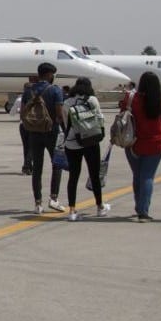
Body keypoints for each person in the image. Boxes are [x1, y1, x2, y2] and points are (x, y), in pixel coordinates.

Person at [123, 71, 161, 221]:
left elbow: (123, 112)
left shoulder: (132, 98)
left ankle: (138, 205)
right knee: (147, 177)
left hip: (133, 144)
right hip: (155, 144)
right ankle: (143, 210)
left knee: (137, 176)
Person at [63, 77, 110, 221]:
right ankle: (100, 206)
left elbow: (66, 123)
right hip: (90, 141)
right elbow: (100, 119)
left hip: (72, 143)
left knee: (73, 176)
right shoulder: (92, 100)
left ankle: (72, 210)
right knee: (94, 175)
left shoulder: (67, 102)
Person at [21, 62, 65, 214]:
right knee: (57, 165)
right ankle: (53, 198)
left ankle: (37, 203)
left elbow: (24, 111)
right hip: (51, 132)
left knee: (37, 168)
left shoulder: (29, 90)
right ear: (49, 74)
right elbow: (60, 114)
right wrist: (64, 131)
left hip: (34, 132)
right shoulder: (55, 90)